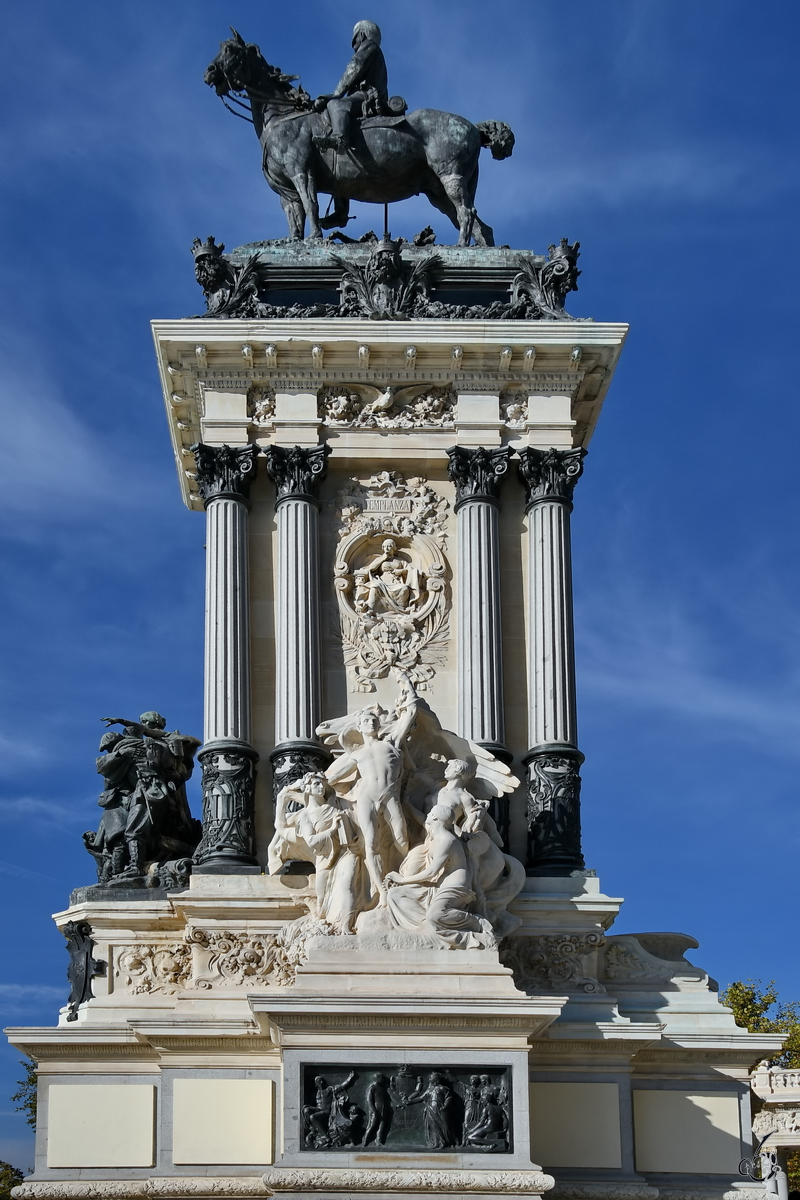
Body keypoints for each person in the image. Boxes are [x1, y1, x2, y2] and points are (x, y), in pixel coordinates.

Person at [321, 674, 418, 903]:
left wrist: (407, 683)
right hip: (366, 798)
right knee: (370, 843)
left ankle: (405, 879)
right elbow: (330, 778)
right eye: (366, 720)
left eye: (374, 720)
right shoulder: (356, 754)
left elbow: (411, 712)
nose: (372, 722)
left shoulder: (391, 742)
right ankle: (382, 892)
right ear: (359, 727)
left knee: (401, 837)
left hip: (389, 795)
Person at [312, 20, 389, 154]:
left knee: (336, 105)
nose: (353, 43)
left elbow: (353, 69)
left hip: (366, 97)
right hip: (367, 97)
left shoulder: (369, 46)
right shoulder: (374, 51)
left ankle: (340, 139)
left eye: (355, 38)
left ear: (362, 35)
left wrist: (334, 96)